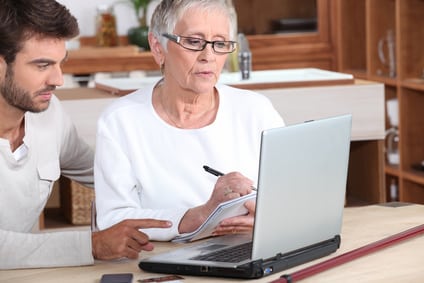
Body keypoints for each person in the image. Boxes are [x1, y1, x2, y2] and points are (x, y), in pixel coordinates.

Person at [0, 0, 171, 270]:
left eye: (60, 63)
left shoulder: (49, 114)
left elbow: (105, 172)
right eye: (42, 65)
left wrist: (213, 208)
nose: (57, 79)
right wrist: (91, 245)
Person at [94, 0, 285, 241]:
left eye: (220, 43)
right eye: (194, 42)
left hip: (250, 250)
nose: (209, 56)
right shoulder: (120, 121)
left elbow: (293, 195)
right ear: (158, 47)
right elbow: (113, 219)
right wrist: (200, 215)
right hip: (165, 261)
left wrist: (268, 218)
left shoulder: (257, 110)